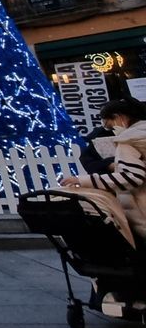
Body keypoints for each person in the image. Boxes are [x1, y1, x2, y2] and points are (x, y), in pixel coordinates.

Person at [60, 99, 146, 236]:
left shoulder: (127, 142)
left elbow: (132, 177)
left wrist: (83, 181)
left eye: (109, 123)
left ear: (119, 117)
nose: (108, 128)